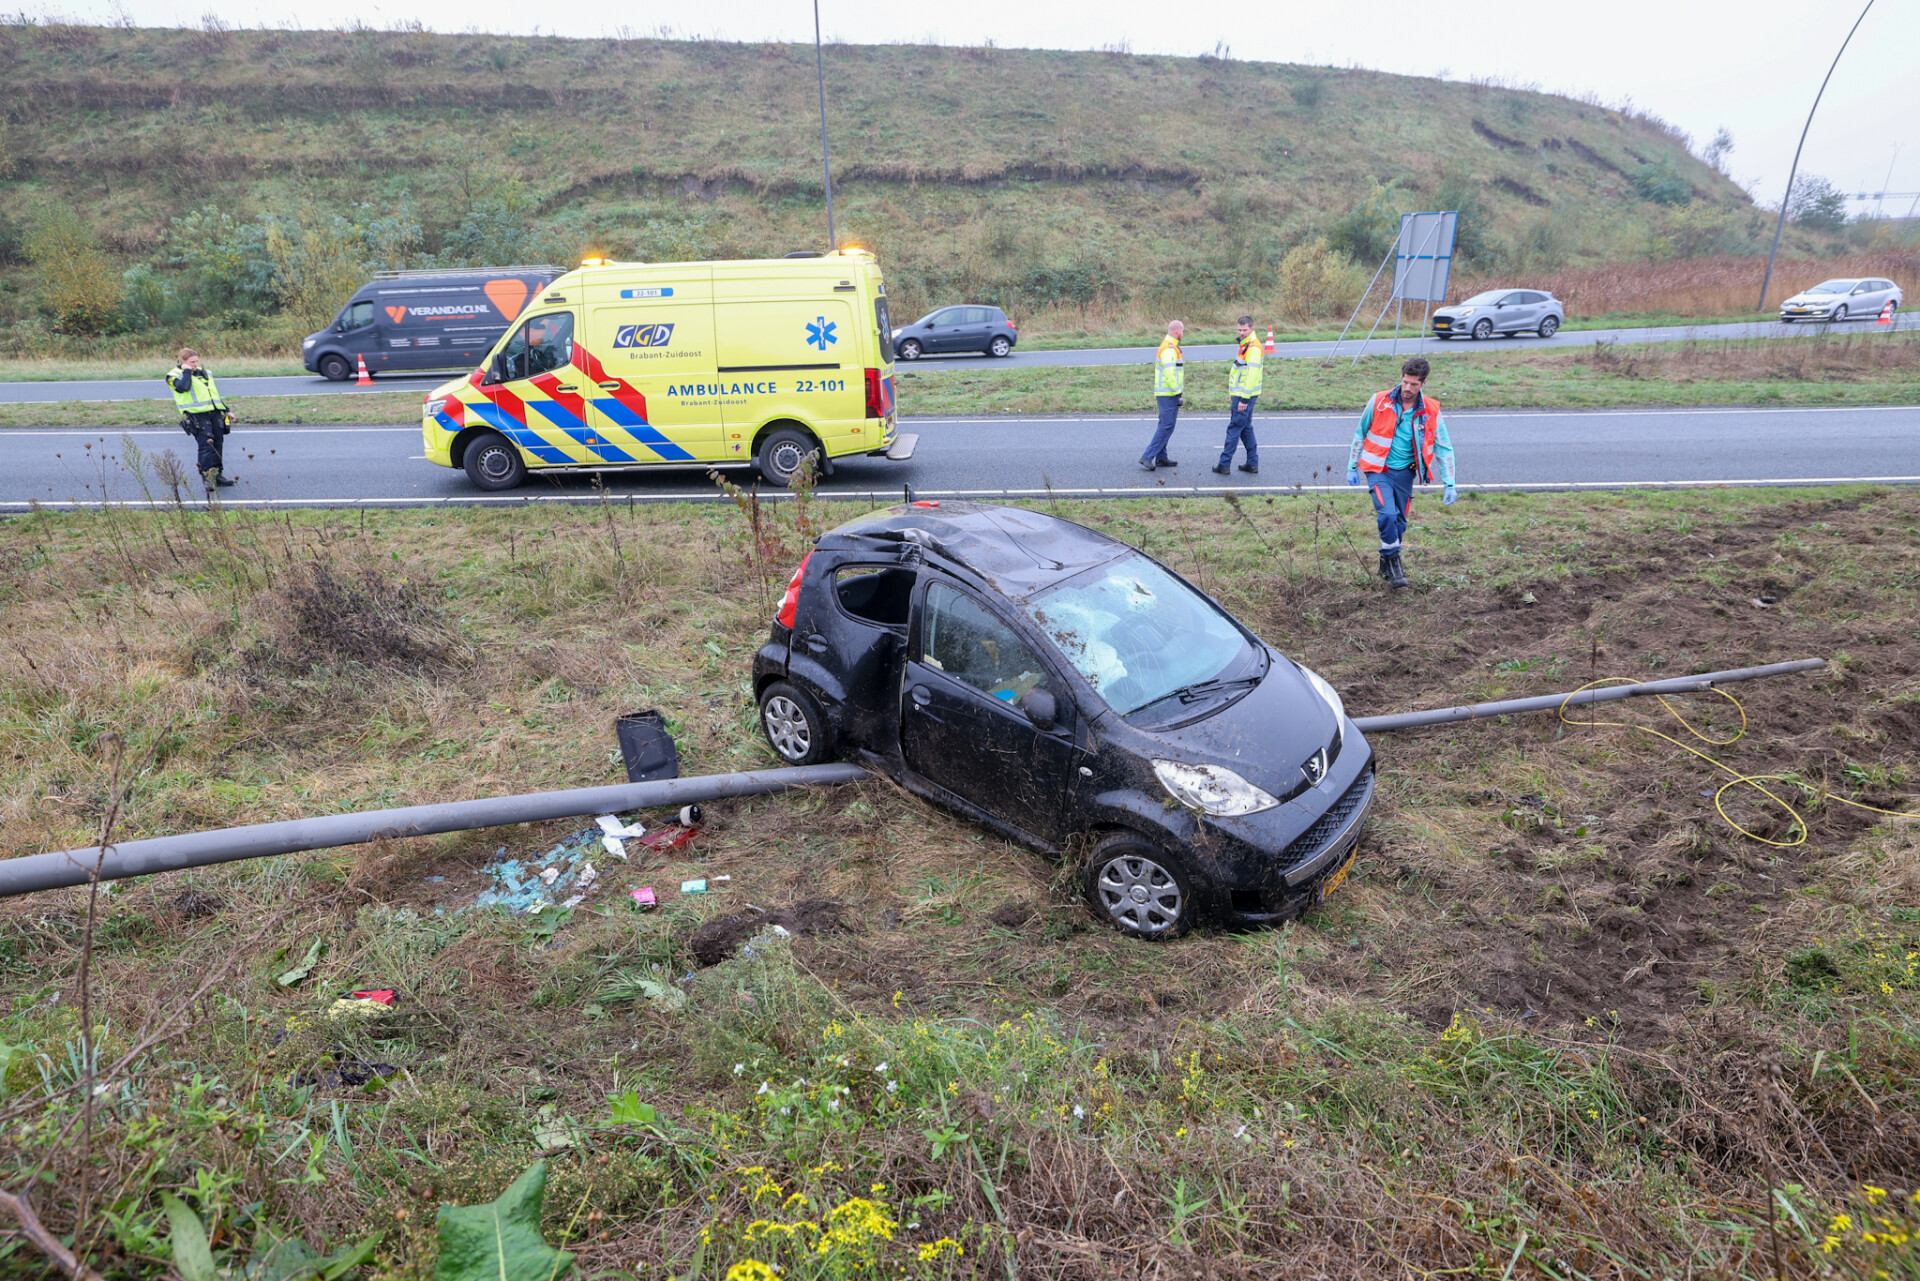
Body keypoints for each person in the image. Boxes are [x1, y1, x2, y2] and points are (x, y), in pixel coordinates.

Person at [1347, 356, 1456, 589]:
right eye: (1405, 382)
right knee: (1387, 514)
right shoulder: (1379, 401)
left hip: (1406, 474)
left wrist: (1450, 483)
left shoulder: (1431, 410)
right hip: (1378, 470)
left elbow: (1443, 446)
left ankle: (1386, 561)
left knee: (1399, 522)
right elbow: (1360, 432)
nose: (1407, 388)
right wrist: (1352, 466)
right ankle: (1395, 563)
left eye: (1414, 384)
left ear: (1423, 383)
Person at [164, 347, 235, 488]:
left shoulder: (204, 373)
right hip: (197, 415)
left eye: (196, 361)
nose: (195, 364)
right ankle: (207, 478)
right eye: (191, 362)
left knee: (217, 444)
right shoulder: (173, 375)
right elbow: (183, 387)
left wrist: (226, 410)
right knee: (206, 446)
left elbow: (213, 394)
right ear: (181, 361)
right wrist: (186, 371)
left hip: (214, 413)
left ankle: (217, 475)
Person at [1213, 315, 1262, 476]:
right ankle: (1252, 463)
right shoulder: (1245, 345)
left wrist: (1243, 399)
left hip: (1245, 395)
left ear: (1252, 329)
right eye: (1239, 329)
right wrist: (1233, 393)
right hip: (1241, 394)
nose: (1241, 332)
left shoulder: (1253, 347)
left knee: (1234, 428)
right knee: (1245, 428)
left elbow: (1252, 375)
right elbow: (1239, 372)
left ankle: (1224, 464)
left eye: (1244, 330)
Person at [1138, 320, 1184, 470]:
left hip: (1165, 392)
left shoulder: (1169, 346)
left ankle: (1161, 457)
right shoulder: (1169, 349)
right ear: (1178, 332)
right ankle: (1147, 456)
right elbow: (1170, 374)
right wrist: (1178, 393)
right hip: (1168, 393)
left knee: (1165, 424)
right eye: (1182, 332)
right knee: (1166, 426)